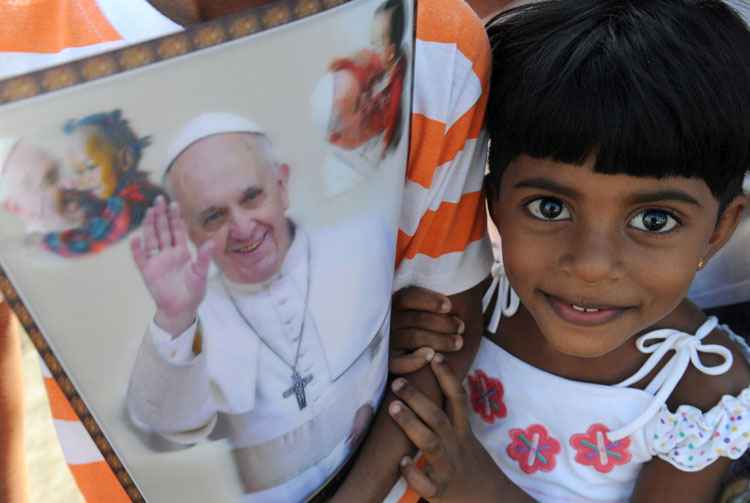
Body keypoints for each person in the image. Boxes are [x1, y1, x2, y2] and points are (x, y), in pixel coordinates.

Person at [383, 1, 750, 502]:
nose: (592, 265)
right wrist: (391, 340)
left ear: (719, 229)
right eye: (550, 208)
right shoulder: (466, 313)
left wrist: (483, 491)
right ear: (493, 204)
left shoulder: (701, 390)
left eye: (654, 220)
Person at [126, 113, 392, 501]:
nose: (242, 228)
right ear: (188, 231)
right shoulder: (191, 314)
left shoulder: (363, 243)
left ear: (281, 186)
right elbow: (166, 428)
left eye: (251, 197)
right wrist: (175, 316)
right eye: (213, 216)